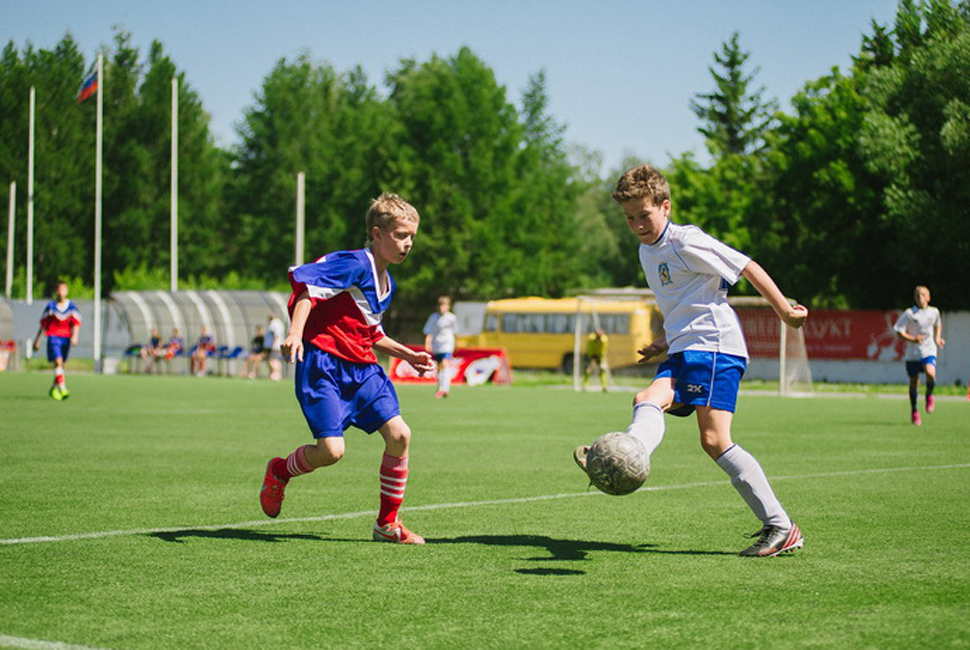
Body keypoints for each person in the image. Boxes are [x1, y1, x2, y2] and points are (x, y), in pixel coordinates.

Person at [573, 164, 809, 557]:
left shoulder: (686, 241)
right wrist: (665, 340)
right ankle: (626, 455)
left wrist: (784, 311)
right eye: (629, 218)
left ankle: (781, 527)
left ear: (665, 206)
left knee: (715, 440)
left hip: (715, 346)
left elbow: (745, 266)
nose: (637, 225)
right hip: (686, 347)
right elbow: (684, 302)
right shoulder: (646, 251)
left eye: (644, 215)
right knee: (646, 399)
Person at [259, 192, 434, 544]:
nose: (408, 243)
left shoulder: (388, 282)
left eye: (412, 237)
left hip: (364, 369)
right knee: (331, 452)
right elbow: (307, 288)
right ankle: (279, 470)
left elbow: (369, 333)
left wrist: (407, 354)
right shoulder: (353, 264)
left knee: (401, 435)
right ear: (377, 233)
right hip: (324, 365)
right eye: (401, 235)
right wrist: (295, 333)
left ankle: (387, 524)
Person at [893, 285, 945, 426]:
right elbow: (898, 330)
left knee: (930, 372)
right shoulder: (910, 313)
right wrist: (913, 339)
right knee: (914, 383)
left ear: (928, 297)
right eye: (917, 295)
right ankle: (914, 410)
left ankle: (929, 395)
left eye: (922, 295)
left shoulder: (934, 312)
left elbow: (938, 325)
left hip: (929, 350)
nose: (920, 297)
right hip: (913, 354)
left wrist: (938, 338)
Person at [32, 280, 81, 400]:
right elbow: (43, 324)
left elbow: (76, 323)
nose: (61, 292)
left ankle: (54, 387)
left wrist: (75, 336)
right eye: (59, 289)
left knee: (61, 365)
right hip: (53, 337)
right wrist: (37, 339)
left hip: (66, 338)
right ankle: (63, 388)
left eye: (63, 289)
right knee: (58, 363)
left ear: (67, 291)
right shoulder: (51, 307)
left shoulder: (71, 307)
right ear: (56, 291)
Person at [423, 295, 459, 398]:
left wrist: (456, 343)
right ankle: (440, 386)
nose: (442, 308)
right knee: (438, 366)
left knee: (445, 363)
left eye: (444, 306)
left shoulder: (451, 318)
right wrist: (428, 343)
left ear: (448, 307)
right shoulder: (433, 317)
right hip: (437, 344)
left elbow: (456, 332)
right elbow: (428, 331)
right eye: (440, 306)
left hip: (447, 343)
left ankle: (444, 389)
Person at [265, 314, 285, 381]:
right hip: (279, 345)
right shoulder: (279, 323)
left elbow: (276, 335)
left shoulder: (274, 324)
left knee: (272, 360)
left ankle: (275, 373)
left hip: (275, 346)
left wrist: (273, 344)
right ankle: (278, 374)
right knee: (277, 360)